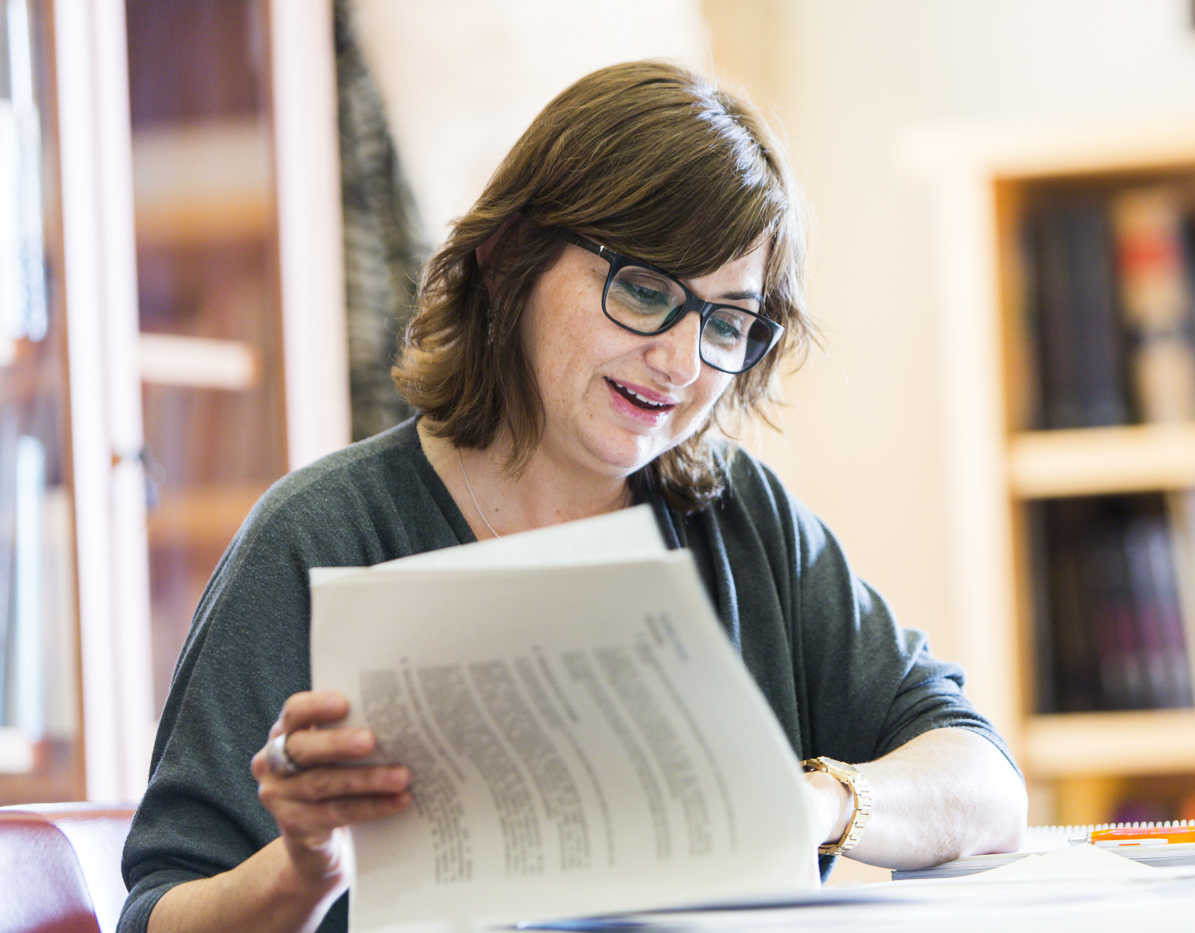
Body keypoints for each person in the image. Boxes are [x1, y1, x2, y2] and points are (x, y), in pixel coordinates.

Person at [118, 59, 1026, 933]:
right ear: (510, 259)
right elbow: (158, 914)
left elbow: (983, 782)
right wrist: (303, 873)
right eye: (644, 290)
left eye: (726, 321)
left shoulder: (742, 519)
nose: (679, 361)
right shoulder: (321, 535)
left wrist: (816, 802)